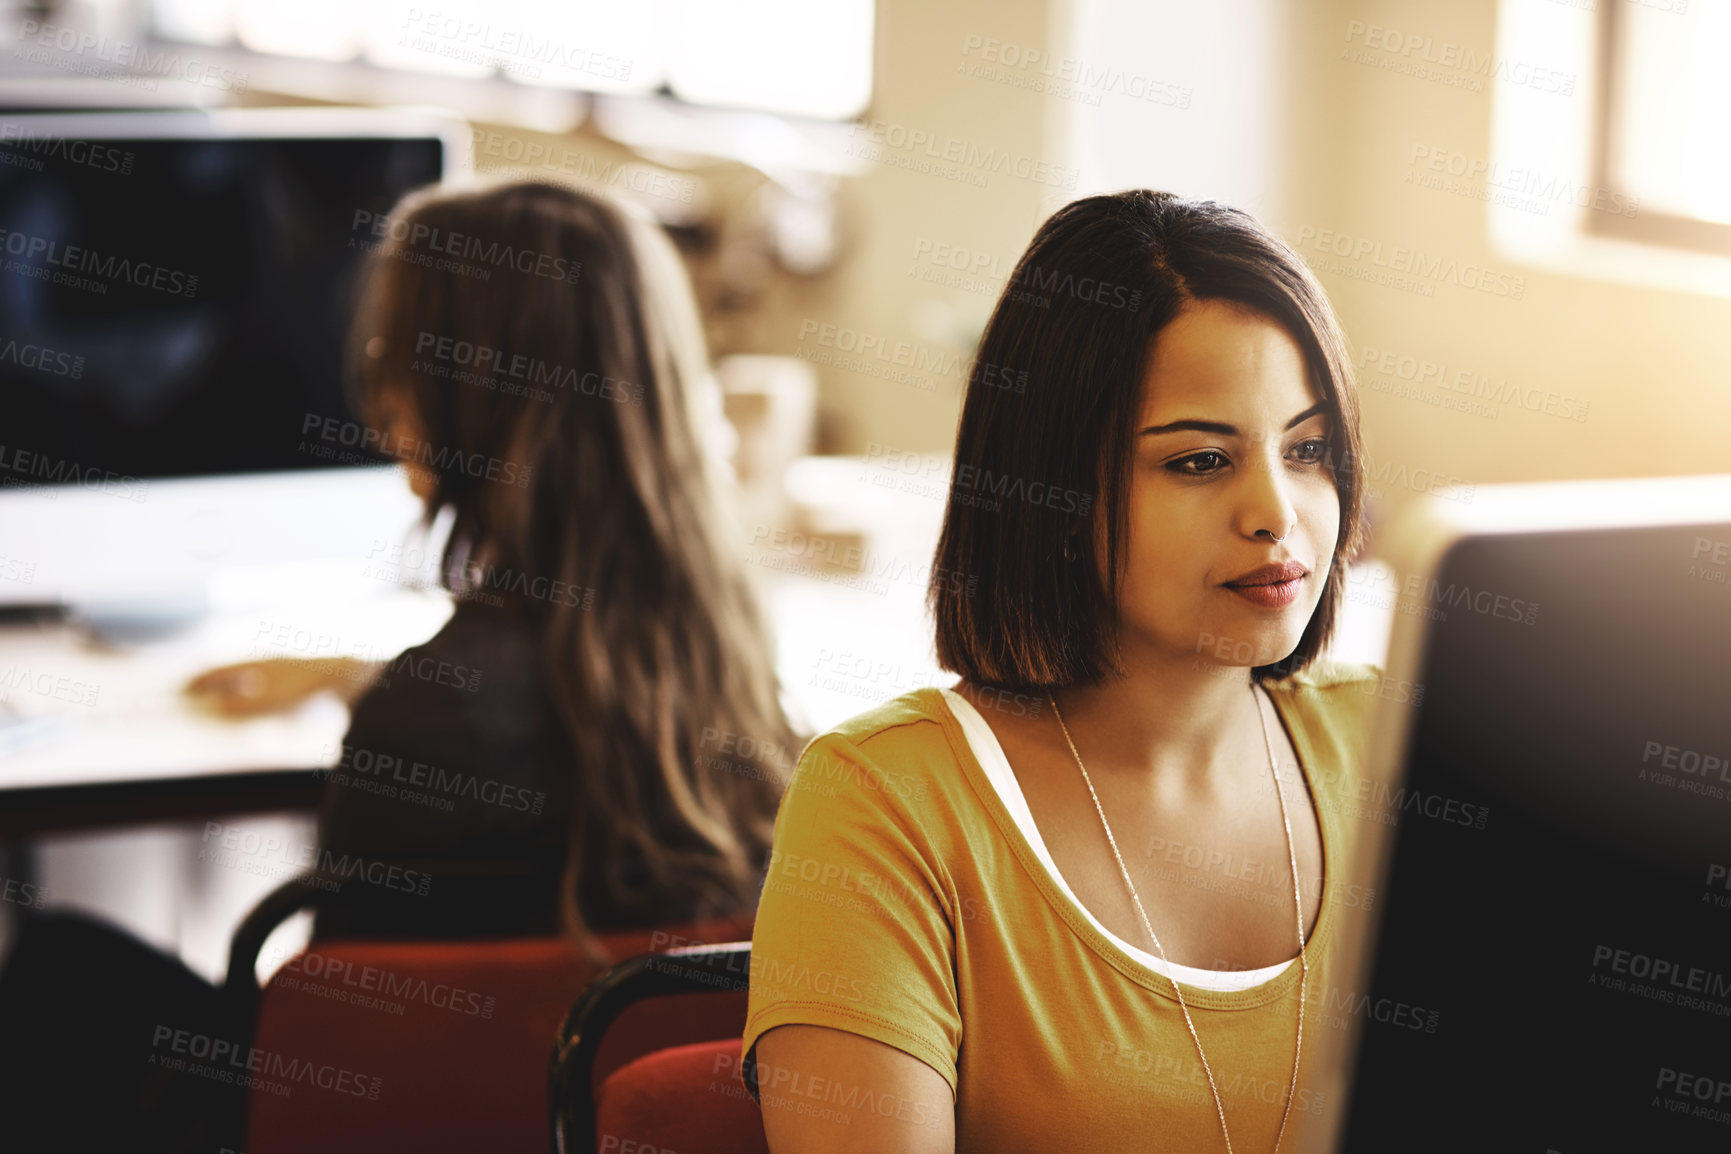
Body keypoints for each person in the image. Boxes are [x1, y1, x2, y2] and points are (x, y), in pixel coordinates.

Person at [0, 179, 797, 1150]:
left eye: (396, 355)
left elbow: (354, 1020)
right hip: (577, 1108)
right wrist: (355, 670)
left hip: (376, 1112)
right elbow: (533, 699)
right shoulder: (727, 656)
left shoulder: (424, 721)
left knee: (58, 964)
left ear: (447, 399)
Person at [742, 190, 1380, 1153]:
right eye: (1201, 461)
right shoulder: (887, 800)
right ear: (1053, 489)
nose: (1276, 513)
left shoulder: (1394, 741)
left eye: (1308, 449)